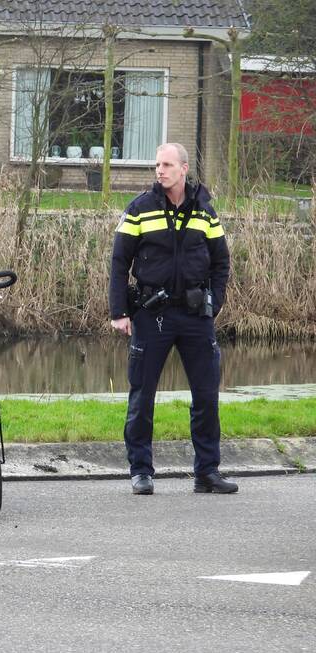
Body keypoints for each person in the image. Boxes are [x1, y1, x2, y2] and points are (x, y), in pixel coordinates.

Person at [109, 142, 235, 495]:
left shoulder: (205, 211)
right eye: (157, 165)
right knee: (142, 395)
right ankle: (141, 471)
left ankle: (207, 472)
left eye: (166, 165)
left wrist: (215, 302)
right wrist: (119, 312)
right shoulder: (139, 209)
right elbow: (119, 263)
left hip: (196, 315)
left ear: (183, 168)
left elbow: (221, 262)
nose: (159, 171)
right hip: (153, 314)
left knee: (206, 396)